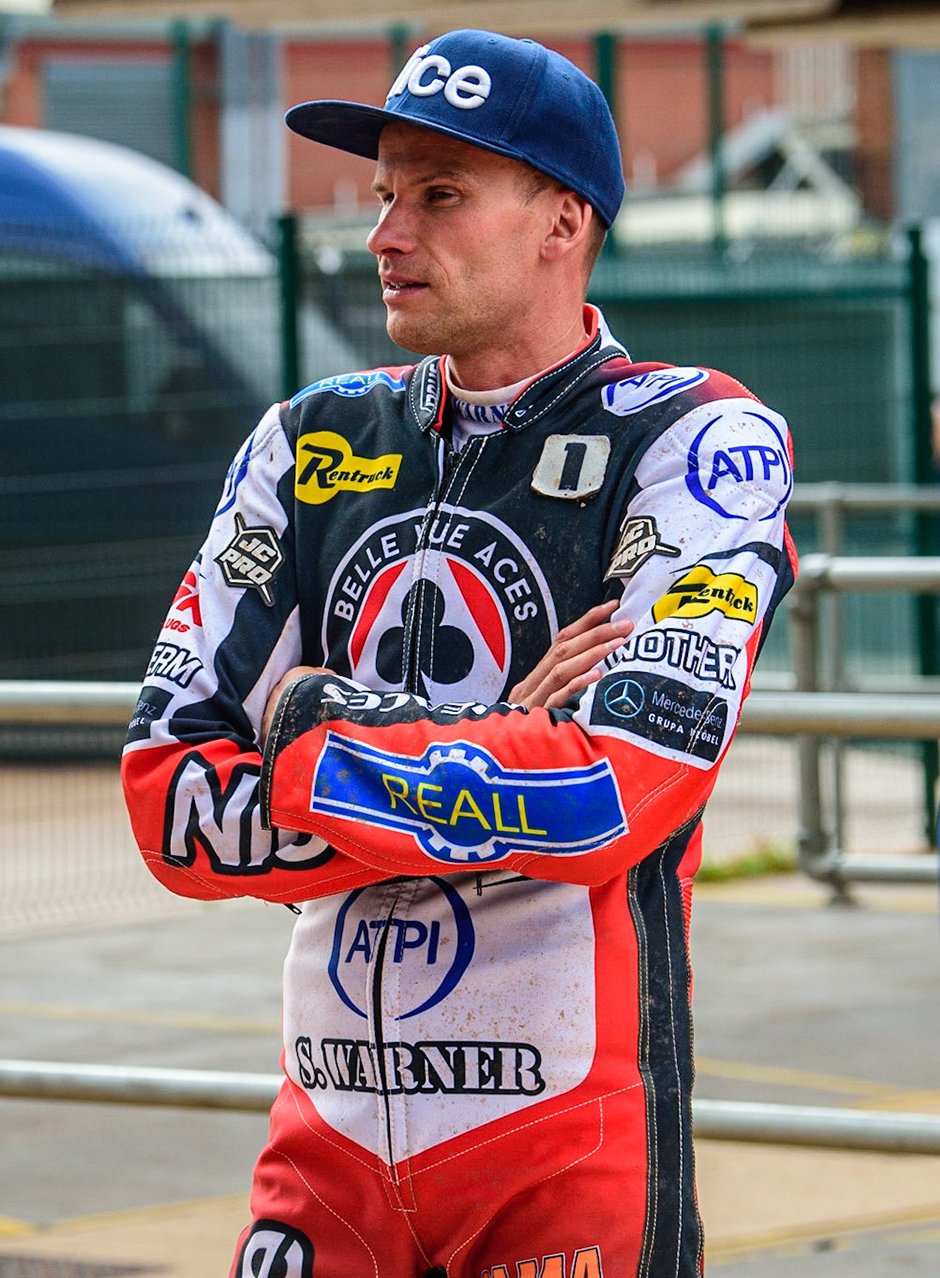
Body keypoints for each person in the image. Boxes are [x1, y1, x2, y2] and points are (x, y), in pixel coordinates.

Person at [122, 30, 795, 1278]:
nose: (385, 231)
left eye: (439, 194)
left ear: (563, 221)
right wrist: (490, 746)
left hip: (562, 1157)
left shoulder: (699, 436)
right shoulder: (304, 440)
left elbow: (616, 790)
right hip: (322, 1157)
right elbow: (167, 801)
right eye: (384, 193)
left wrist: (316, 723)